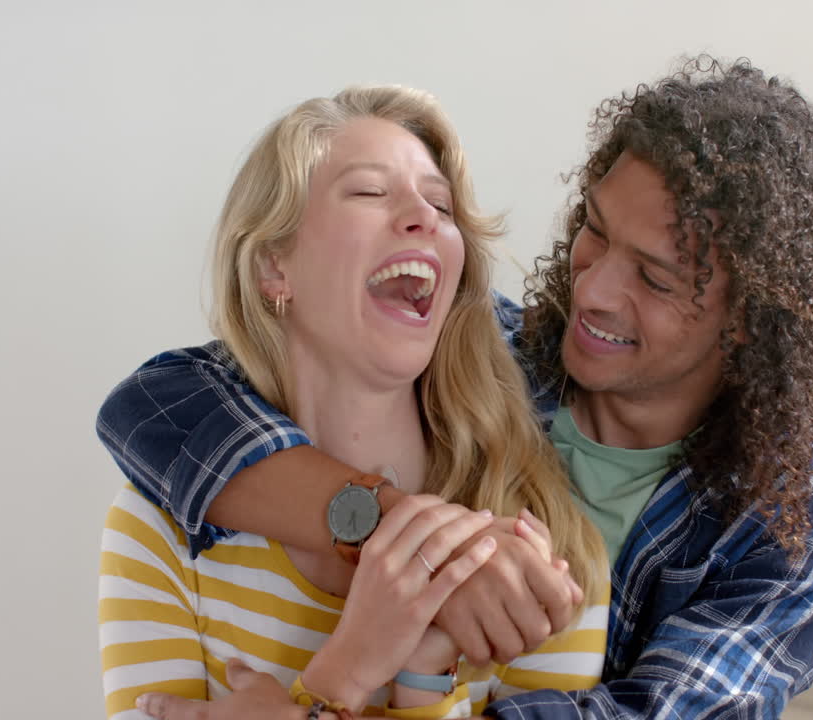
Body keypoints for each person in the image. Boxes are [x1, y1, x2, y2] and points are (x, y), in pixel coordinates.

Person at [99, 56, 813, 719]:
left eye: (654, 277)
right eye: (595, 231)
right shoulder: (492, 351)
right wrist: (397, 534)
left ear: (747, 319)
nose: (594, 293)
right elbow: (150, 408)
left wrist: (326, 699)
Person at [97, 85, 611, 720]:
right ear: (272, 267)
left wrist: (424, 678)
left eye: (442, 204)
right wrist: (349, 670)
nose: (424, 215)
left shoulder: (540, 542)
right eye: (370, 192)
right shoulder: (162, 527)